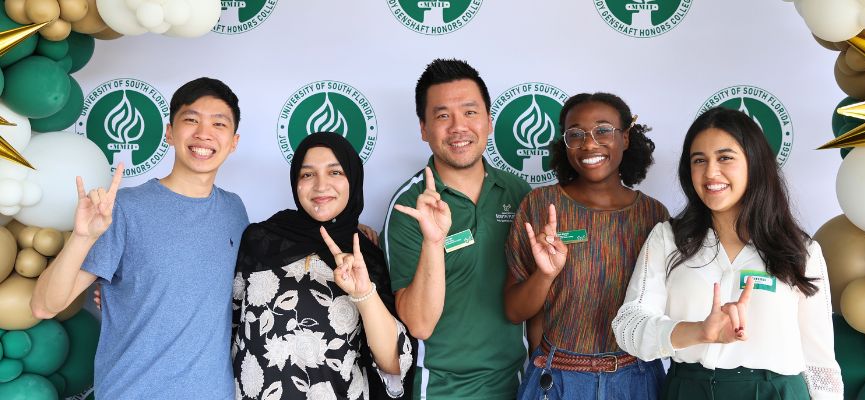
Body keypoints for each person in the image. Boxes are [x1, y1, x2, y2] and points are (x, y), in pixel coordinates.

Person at [31, 77, 250, 399]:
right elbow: (45, 307)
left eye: (219, 124)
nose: (204, 133)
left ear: (233, 142)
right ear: (169, 132)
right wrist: (81, 237)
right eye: (191, 120)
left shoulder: (234, 210)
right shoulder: (123, 208)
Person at [611, 107, 844, 399]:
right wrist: (697, 331)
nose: (710, 172)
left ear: (755, 163)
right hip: (690, 389)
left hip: (778, 391)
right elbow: (628, 326)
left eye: (725, 158)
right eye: (699, 160)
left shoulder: (801, 250)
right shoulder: (668, 238)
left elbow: (820, 360)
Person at [381, 58, 531, 399]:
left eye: (470, 112)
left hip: (519, 382)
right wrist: (435, 242)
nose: (458, 127)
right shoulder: (409, 205)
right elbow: (418, 325)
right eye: (442, 115)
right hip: (442, 388)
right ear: (423, 128)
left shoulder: (520, 194)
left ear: (489, 121)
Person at [504, 92, 669, 399]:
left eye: (603, 130)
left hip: (636, 378)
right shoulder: (540, 205)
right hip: (557, 380)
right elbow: (515, 312)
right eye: (575, 134)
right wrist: (545, 275)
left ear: (626, 138)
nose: (589, 144)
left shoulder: (653, 216)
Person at [231, 132, 413, 399]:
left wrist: (363, 293)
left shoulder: (367, 256)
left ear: (353, 179)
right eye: (307, 175)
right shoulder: (260, 240)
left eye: (335, 172)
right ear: (295, 182)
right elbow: (228, 328)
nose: (320, 185)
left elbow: (394, 364)